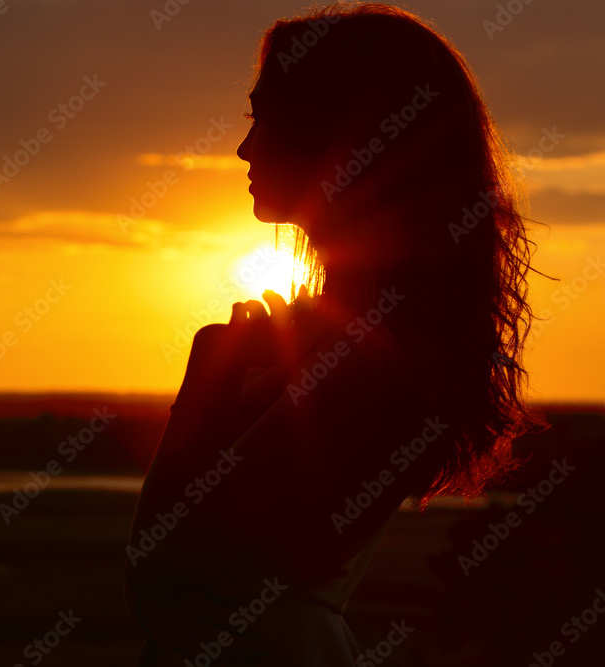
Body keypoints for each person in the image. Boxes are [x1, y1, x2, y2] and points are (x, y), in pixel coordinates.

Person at [123, 3, 544, 665]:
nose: (244, 147)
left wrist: (209, 370)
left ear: (336, 132)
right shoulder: (349, 341)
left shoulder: (369, 361)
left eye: (264, 119)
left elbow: (164, 559)